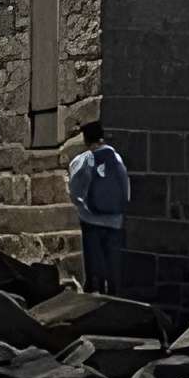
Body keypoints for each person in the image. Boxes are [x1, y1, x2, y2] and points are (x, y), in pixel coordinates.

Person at [66, 120, 129, 295]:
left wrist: (83, 207)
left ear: (86, 140)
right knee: (113, 262)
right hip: (115, 220)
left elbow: (75, 190)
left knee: (94, 263)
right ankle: (115, 295)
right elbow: (125, 187)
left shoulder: (82, 160)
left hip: (91, 219)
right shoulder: (116, 158)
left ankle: (96, 295)